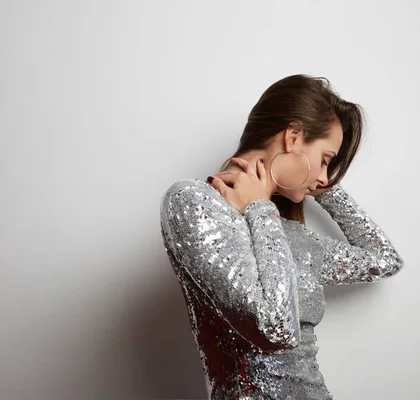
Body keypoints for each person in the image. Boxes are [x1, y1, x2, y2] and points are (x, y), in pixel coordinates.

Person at [159, 74, 405, 399]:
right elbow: (275, 328)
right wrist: (260, 209)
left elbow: (384, 260)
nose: (323, 178)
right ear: (293, 136)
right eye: (325, 161)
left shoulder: (290, 234)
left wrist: (321, 186)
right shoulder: (193, 202)